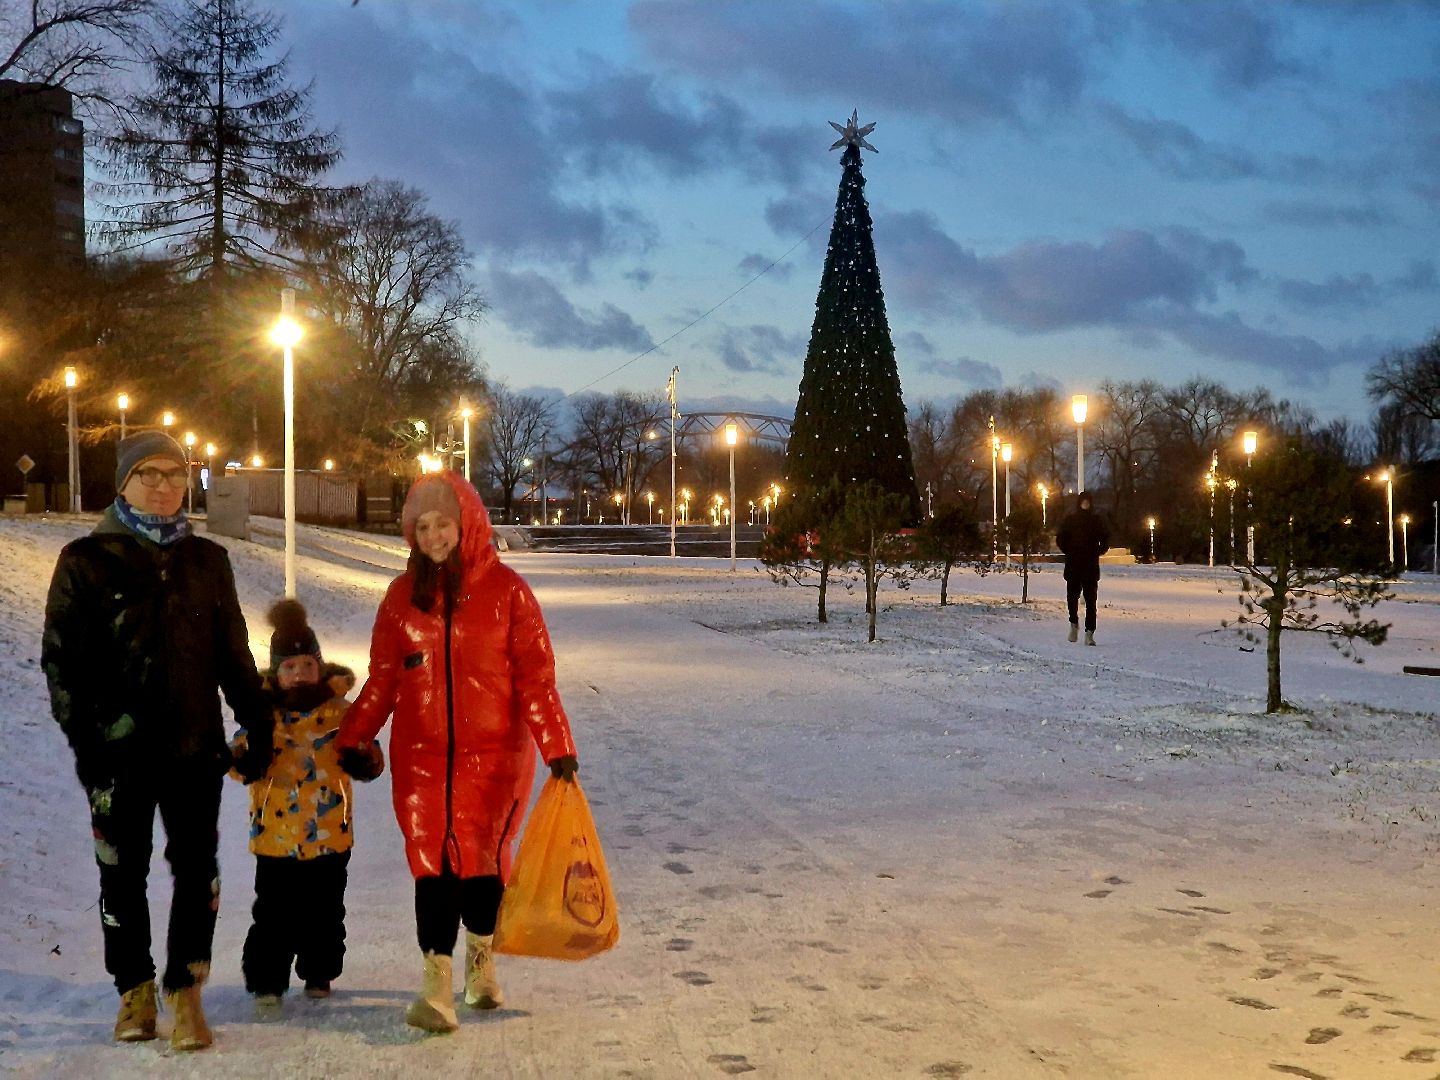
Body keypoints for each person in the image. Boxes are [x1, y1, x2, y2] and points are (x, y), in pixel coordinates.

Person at [41, 431, 273, 1051]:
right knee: (122, 876)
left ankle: (185, 990)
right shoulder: (85, 561)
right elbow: (62, 666)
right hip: (116, 758)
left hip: (194, 752)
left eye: (176, 472)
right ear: (123, 482)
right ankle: (134, 991)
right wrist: (92, 741)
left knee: (198, 873)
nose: (165, 484)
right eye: (150, 472)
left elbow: (234, 655)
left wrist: (258, 722)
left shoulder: (207, 561)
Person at [336, 472, 579, 1035]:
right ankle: (436, 982)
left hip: (494, 757)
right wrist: (355, 736)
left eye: (443, 522)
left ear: (467, 523)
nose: (434, 535)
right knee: (432, 869)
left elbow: (536, 679)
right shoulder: (401, 597)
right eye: (422, 526)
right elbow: (382, 680)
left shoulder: (509, 591)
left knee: (482, 867)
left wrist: (557, 748)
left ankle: (481, 962)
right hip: (420, 759)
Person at [230, 599, 384, 1017]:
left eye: (307, 666)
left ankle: (319, 972)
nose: (299, 675)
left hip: (331, 832)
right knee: (273, 913)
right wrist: (247, 759)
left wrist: (365, 759)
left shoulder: (339, 712)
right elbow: (237, 759)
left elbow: (370, 749)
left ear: (319, 666)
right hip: (275, 838)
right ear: (277, 674)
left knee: (325, 911)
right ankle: (267, 981)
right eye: (289, 668)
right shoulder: (263, 715)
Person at [1056, 489, 1110, 646]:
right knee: (1072, 598)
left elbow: (1105, 538)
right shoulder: (1071, 520)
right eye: (1083, 501)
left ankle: (1089, 632)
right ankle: (1073, 623)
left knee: (1091, 600)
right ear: (1079, 503)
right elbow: (1061, 538)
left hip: (1090, 566)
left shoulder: (1096, 521)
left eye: (1088, 501)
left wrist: (1098, 551)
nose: (1085, 504)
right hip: (1073, 565)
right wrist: (1069, 551)